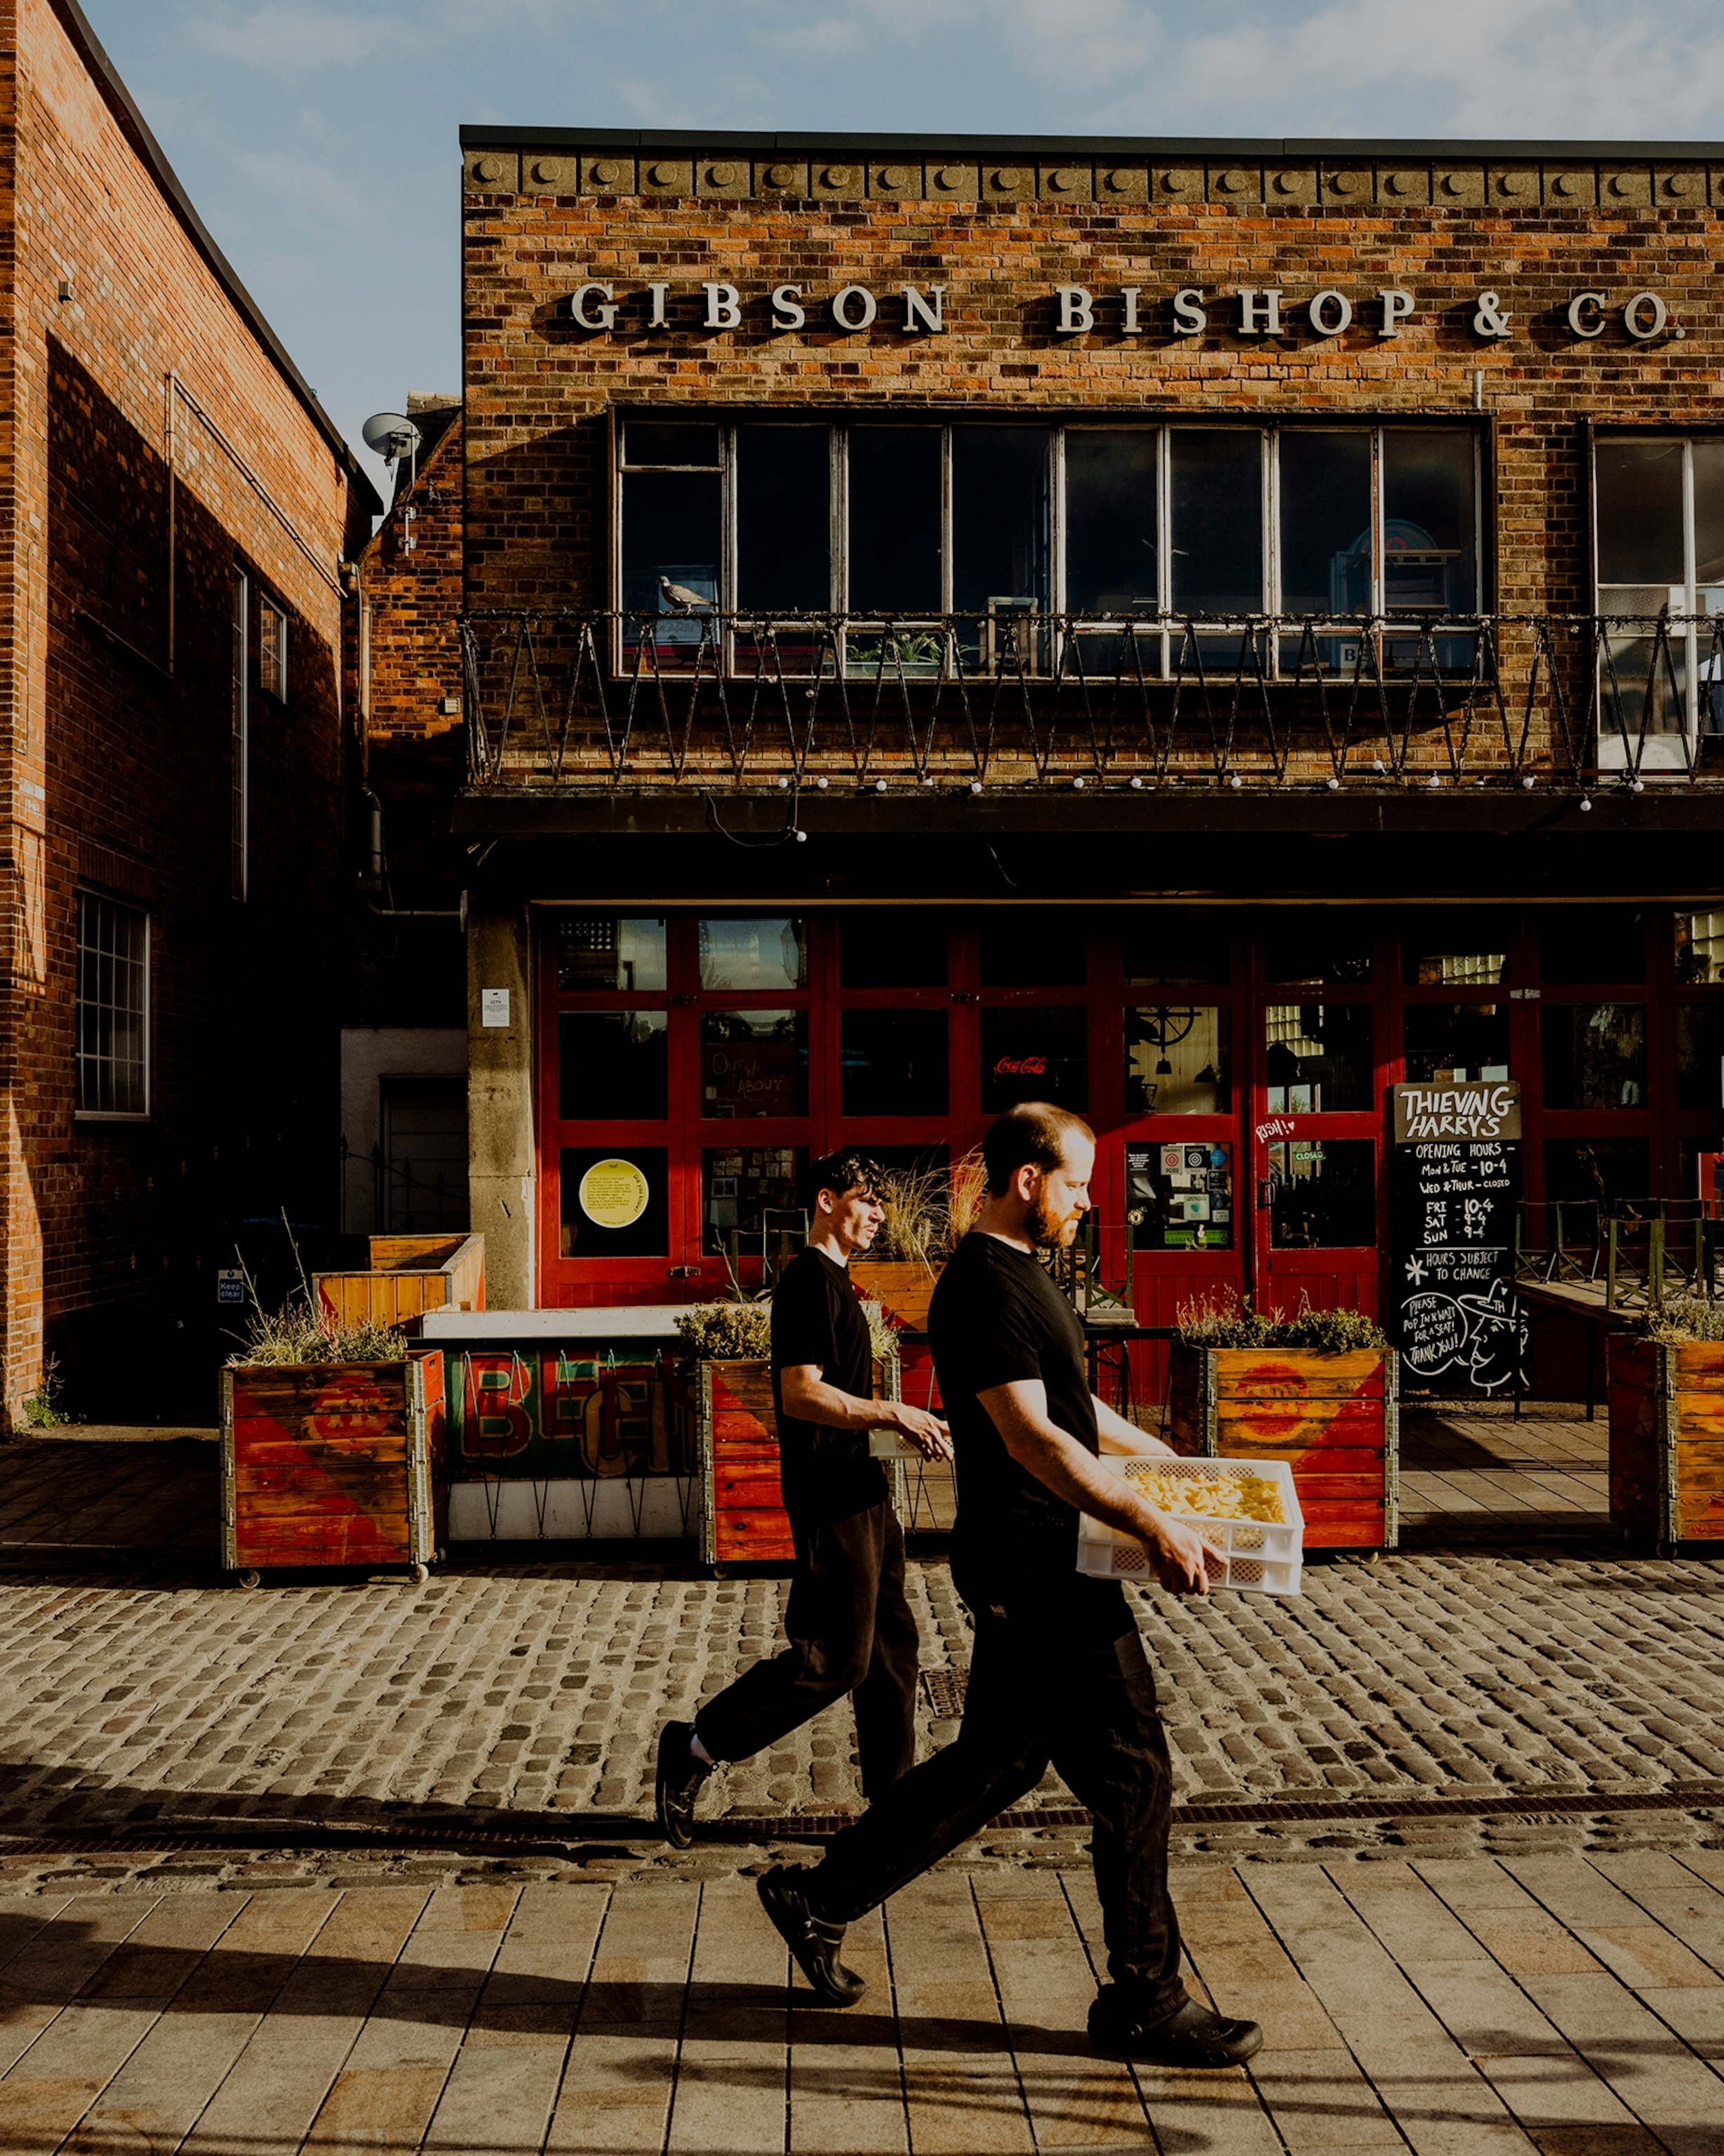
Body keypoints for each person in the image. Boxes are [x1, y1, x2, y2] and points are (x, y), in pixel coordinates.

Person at [751, 1104, 1264, 2070]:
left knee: (997, 1761)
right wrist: (1149, 1522)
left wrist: (1172, 1467)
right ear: (1027, 1179)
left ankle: (820, 1897)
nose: (1086, 1201)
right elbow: (1031, 1437)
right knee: (1133, 1769)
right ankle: (1144, 2000)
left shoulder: (1022, 1277)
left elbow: (1074, 1405)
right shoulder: (982, 1287)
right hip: (1041, 1567)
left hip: (1040, 1561)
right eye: (1075, 1183)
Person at [655, 1150, 951, 1850]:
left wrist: (891, 1431)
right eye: (866, 1199)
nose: (878, 1214)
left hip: (864, 1489)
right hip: (828, 1498)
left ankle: (891, 1805)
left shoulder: (841, 1286)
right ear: (826, 1201)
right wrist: (891, 1414)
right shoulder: (806, 1284)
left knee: (893, 1649)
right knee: (833, 1659)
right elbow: (801, 1393)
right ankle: (694, 1747)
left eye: (881, 1203)